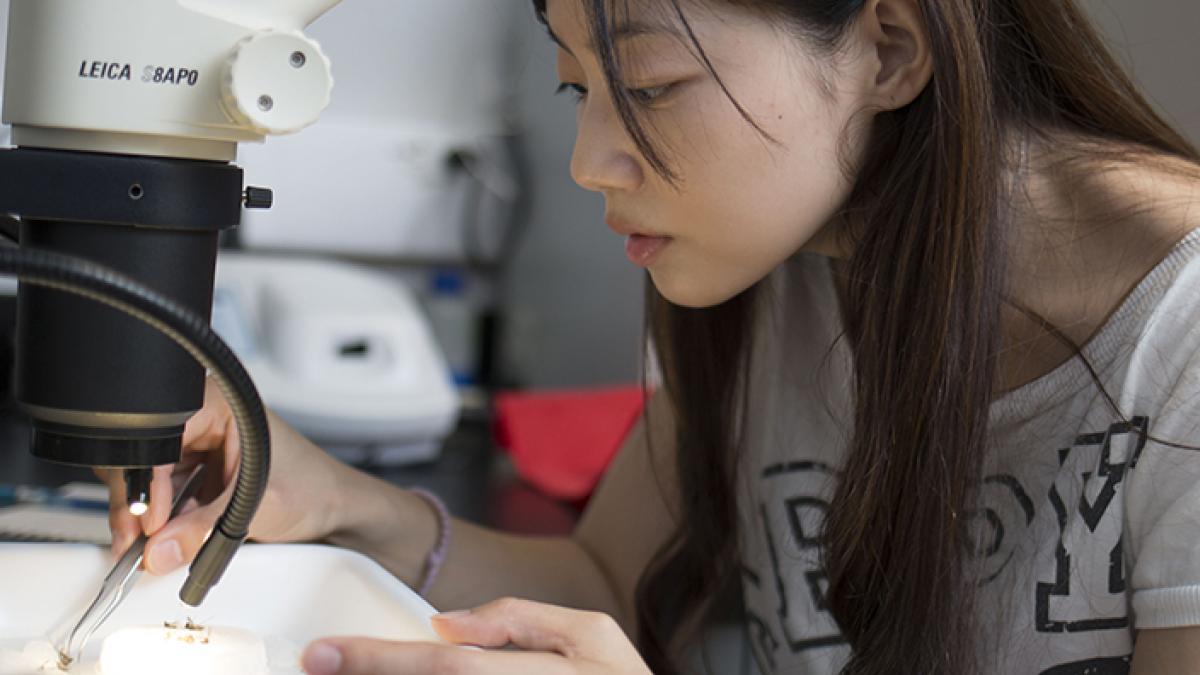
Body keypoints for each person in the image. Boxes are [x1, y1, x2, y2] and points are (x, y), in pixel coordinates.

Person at [104, 0, 1200, 673]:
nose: (589, 161)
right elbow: (606, 577)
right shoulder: (801, 252)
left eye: (654, 86)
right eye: (579, 86)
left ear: (891, 47)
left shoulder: (1181, 336)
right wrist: (343, 500)